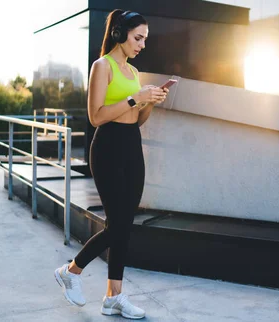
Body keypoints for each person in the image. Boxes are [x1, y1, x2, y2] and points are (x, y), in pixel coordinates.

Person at [54, 9, 167, 319]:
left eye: (145, 39)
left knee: (124, 224)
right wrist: (134, 99)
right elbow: (97, 116)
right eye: (138, 38)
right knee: (117, 224)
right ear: (121, 34)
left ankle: (112, 297)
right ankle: (71, 271)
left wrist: (149, 103)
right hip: (107, 149)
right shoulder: (101, 66)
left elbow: (137, 118)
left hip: (132, 146)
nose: (142, 45)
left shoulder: (133, 72)